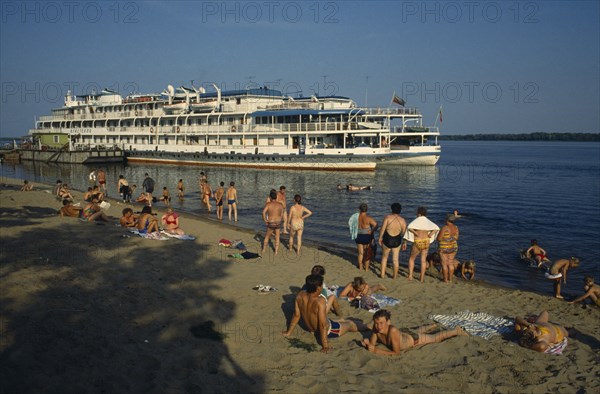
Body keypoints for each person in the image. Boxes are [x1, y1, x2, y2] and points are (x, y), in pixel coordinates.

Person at [282, 274, 366, 353]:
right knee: (351, 324)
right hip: (329, 330)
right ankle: (368, 327)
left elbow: (296, 315)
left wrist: (288, 333)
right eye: (322, 285)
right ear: (318, 288)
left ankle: (341, 319)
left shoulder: (299, 295)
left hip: (311, 329)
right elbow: (322, 325)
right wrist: (325, 346)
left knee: (340, 321)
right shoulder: (320, 301)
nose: (322, 287)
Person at [363, 309, 468, 355]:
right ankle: (434, 325)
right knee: (416, 330)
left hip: (412, 339)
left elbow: (396, 353)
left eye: (381, 323)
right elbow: (372, 344)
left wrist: (376, 351)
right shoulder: (376, 328)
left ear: (388, 322)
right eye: (376, 323)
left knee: (435, 338)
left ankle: (456, 330)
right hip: (403, 333)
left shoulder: (392, 330)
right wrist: (368, 345)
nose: (378, 326)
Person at [405, 207, 439, 282]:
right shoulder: (427, 221)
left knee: (412, 258)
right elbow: (436, 228)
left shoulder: (417, 220)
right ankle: (422, 278)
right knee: (423, 260)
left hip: (418, 241)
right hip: (426, 241)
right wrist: (431, 235)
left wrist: (415, 232)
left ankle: (410, 276)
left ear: (419, 213)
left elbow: (409, 227)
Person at [378, 203, 407, 279]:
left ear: (392, 209)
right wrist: (405, 243)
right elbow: (404, 234)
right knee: (395, 259)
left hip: (387, 239)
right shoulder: (403, 220)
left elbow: (382, 229)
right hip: (397, 240)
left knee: (384, 258)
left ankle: (382, 275)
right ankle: (394, 276)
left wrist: (380, 238)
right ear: (400, 210)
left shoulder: (387, 217)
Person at [355, 203, 378, 272]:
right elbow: (376, 225)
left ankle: (361, 267)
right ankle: (367, 268)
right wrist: (372, 231)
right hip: (366, 236)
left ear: (359, 209)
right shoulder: (368, 218)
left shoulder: (356, 217)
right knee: (367, 252)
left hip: (358, 235)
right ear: (367, 210)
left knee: (360, 253)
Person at [438, 213, 460, 283]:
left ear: (447, 220)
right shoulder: (456, 227)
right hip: (453, 247)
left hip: (444, 248)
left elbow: (439, 238)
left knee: (444, 264)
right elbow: (456, 238)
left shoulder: (445, 227)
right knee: (450, 263)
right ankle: (450, 279)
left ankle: (445, 280)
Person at [262, 190, 284, 255]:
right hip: (278, 222)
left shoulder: (268, 204)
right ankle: (276, 252)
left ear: (270, 198)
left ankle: (264, 249)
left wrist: (265, 220)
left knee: (267, 236)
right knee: (277, 237)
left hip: (271, 222)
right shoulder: (280, 204)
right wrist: (280, 219)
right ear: (276, 197)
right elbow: (282, 214)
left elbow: (263, 212)